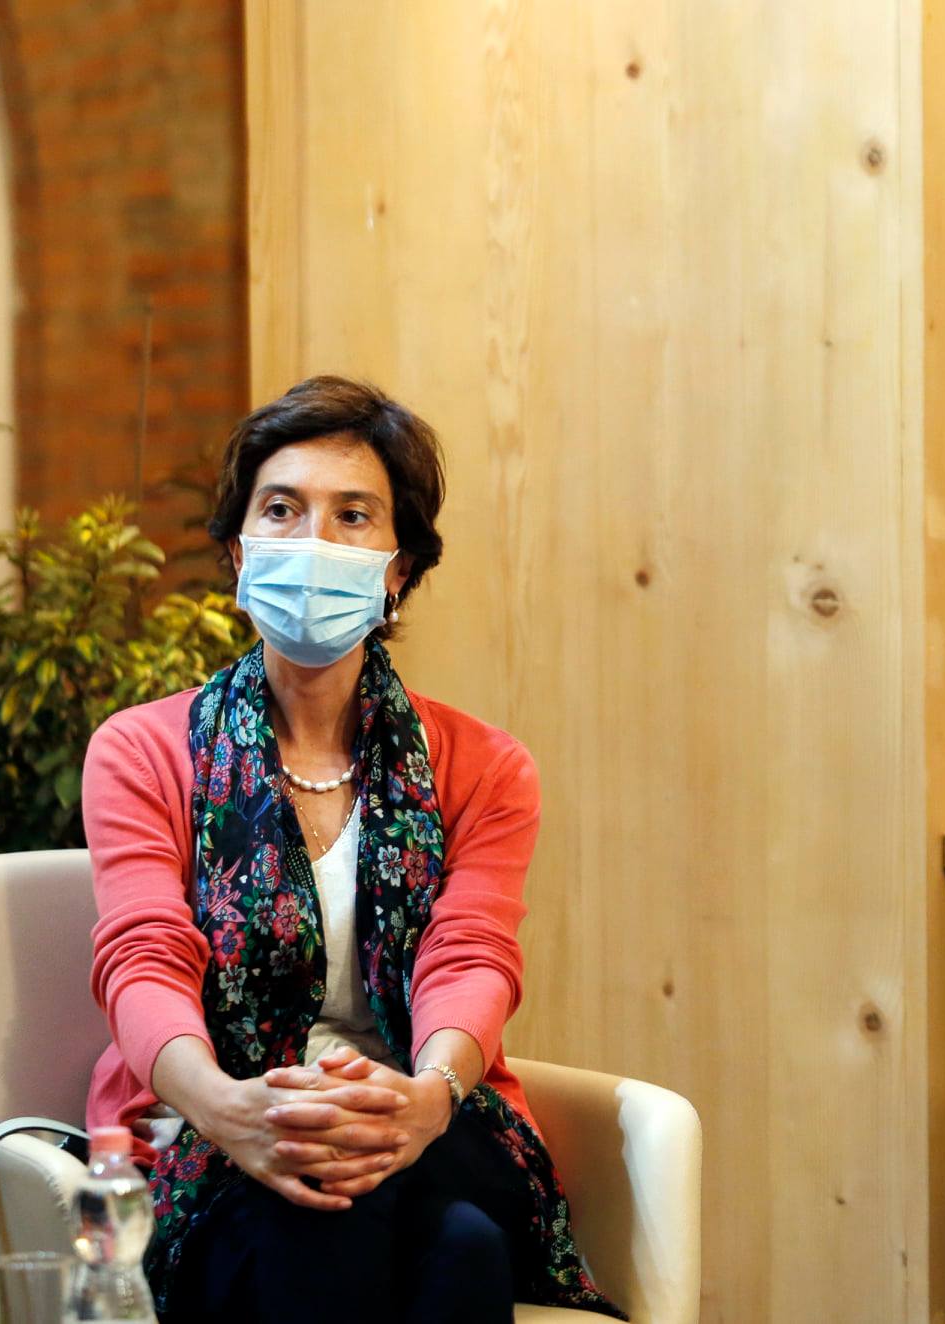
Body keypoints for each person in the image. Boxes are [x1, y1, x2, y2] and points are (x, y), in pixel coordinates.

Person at [82, 377, 623, 1322]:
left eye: (353, 515)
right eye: (281, 510)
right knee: (455, 1250)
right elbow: (144, 954)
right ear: (237, 549)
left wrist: (426, 1097)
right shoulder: (141, 751)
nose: (312, 542)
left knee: (379, 1215)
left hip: (431, 1119)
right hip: (207, 1122)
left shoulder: (484, 767)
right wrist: (225, 1106)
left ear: (399, 568)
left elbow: (472, 953)